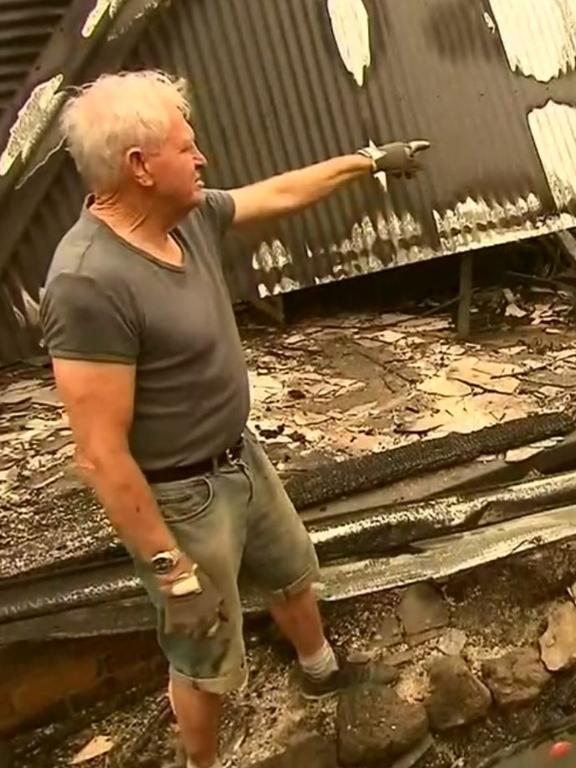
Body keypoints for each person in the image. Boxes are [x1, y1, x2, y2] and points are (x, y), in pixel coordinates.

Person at [39, 70, 430, 768]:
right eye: (187, 149)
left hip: (237, 456)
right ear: (139, 167)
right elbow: (100, 453)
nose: (203, 160)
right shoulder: (88, 282)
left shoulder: (184, 215)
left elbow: (277, 194)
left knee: (291, 571)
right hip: (179, 497)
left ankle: (320, 673)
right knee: (202, 652)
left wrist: (369, 161)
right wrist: (170, 573)